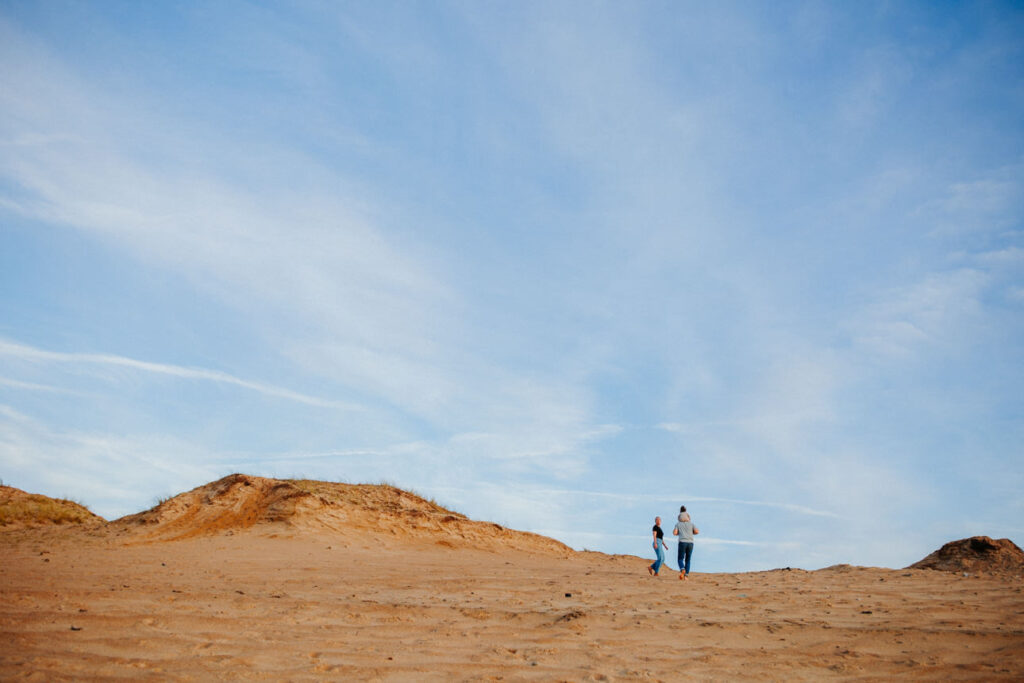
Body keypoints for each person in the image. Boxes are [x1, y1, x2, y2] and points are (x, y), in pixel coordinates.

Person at [672, 505, 698, 580]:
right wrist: (691, 532)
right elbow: (696, 531)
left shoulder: (678, 524)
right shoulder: (691, 524)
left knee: (680, 559)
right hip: (690, 543)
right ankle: (686, 576)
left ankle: (682, 569)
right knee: (688, 559)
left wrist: (678, 533)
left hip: (682, 542)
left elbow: (674, 533)